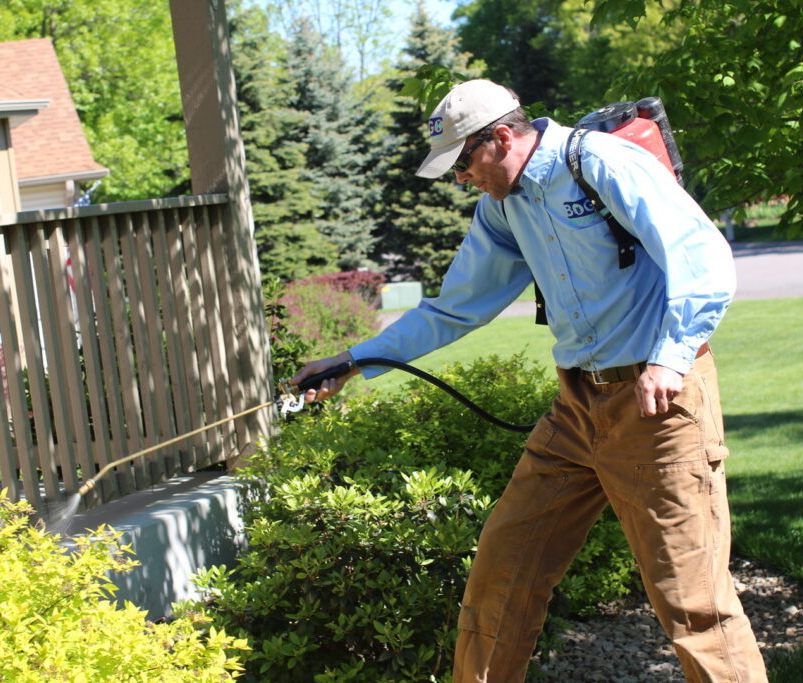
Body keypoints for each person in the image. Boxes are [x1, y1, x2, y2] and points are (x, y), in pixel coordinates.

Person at [291, 79, 769, 681]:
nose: (462, 179)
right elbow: (454, 307)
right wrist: (355, 359)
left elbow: (700, 255)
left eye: (463, 163)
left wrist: (670, 358)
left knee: (693, 601)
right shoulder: (501, 208)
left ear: (499, 137)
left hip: (659, 406)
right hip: (577, 408)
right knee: (501, 576)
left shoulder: (598, 163)